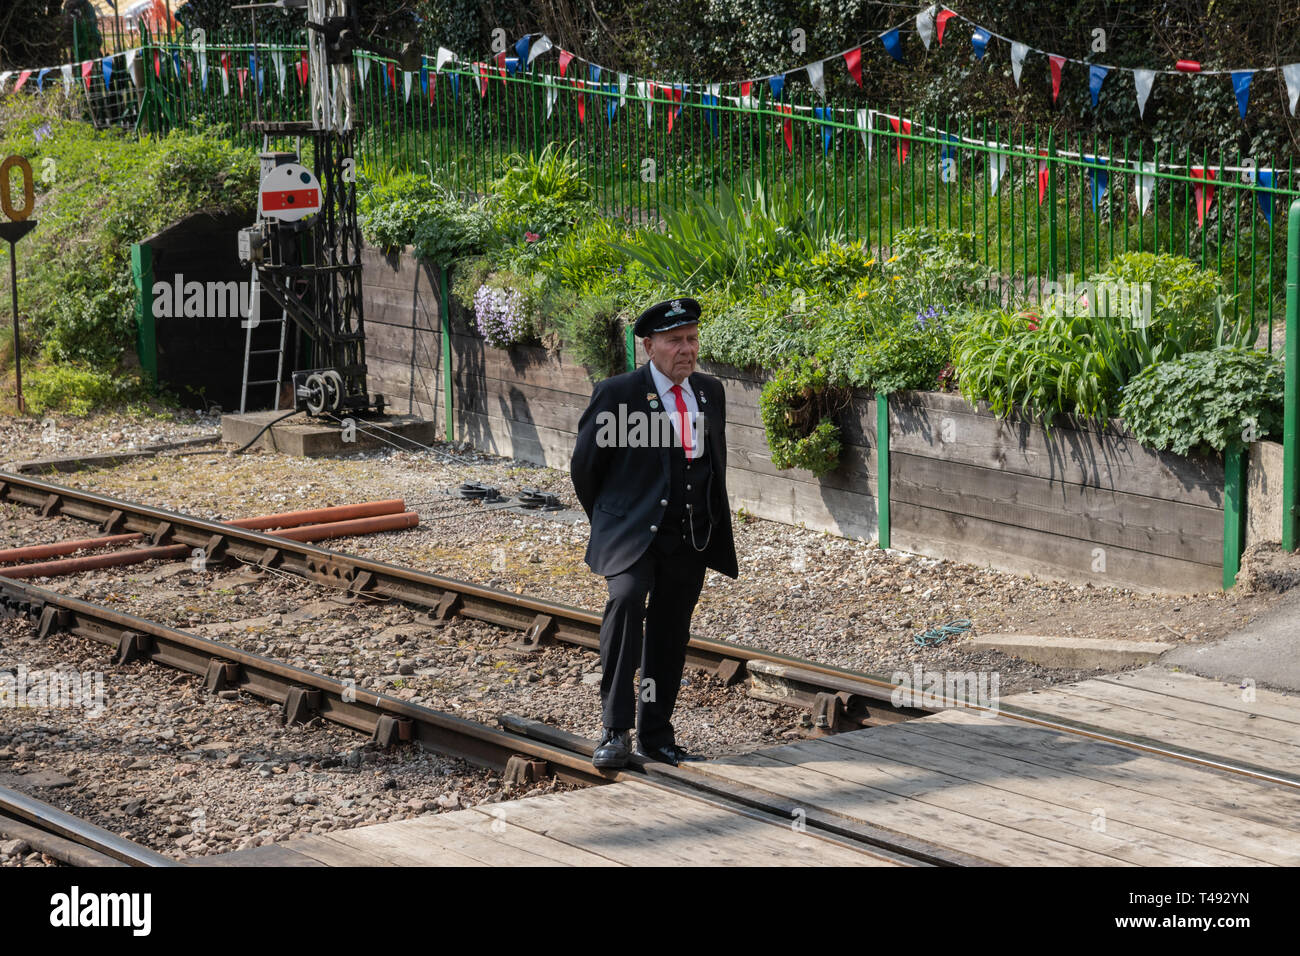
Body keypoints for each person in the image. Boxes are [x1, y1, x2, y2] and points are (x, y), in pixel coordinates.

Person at [569, 297, 738, 769]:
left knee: (669, 632)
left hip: (689, 538)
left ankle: (656, 734)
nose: (686, 349)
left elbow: (711, 465)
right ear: (649, 345)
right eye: (674, 341)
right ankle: (615, 730)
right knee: (625, 605)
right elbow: (586, 469)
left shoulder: (710, 392)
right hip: (631, 536)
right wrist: (611, 520)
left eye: (692, 339)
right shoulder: (618, 394)